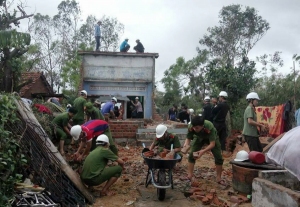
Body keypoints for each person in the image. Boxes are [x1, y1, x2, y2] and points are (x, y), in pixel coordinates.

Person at [183, 115, 225, 186]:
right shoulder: (191, 126)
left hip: (211, 139)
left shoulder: (209, 126)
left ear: (202, 126)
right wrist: (186, 145)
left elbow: (212, 144)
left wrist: (202, 151)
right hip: (199, 138)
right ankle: (189, 175)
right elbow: (188, 138)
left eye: (197, 128)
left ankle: (218, 178)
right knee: (191, 155)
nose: (194, 129)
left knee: (218, 157)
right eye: (193, 127)